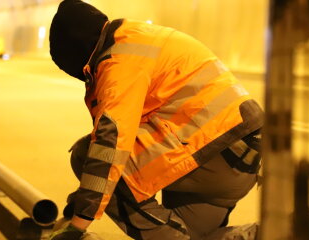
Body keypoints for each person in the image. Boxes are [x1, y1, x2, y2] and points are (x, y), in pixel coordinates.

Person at [48, 1, 264, 239]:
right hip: (237, 157)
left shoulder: (119, 61)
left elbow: (110, 146)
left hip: (215, 154)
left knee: (87, 153)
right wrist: (74, 208)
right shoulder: (136, 39)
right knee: (183, 234)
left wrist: (76, 226)